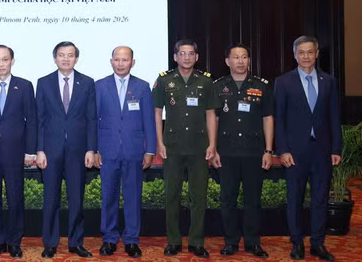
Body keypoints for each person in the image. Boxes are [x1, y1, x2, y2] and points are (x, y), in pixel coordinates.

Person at [274, 36, 341, 261]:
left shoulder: (329, 81)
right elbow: (279, 120)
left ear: (317, 53)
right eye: (301, 52)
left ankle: (317, 243)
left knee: (320, 199)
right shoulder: (283, 82)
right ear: (294, 55)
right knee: (295, 199)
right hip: (294, 152)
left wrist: (336, 149)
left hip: (322, 151)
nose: (305, 57)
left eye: (309, 52)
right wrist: (282, 150)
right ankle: (297, 244)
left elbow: (334, 117)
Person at [152, 39, 217, 258]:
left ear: (197, 57)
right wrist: (159, 143)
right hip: (172, 146)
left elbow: (211, 114)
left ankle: (197, 241)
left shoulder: (206, 82)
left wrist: (213, 144)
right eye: (182, 53)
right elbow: (157, 113)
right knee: (172, 195)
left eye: (191, 54)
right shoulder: (164, 81)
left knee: (198, 196)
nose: (186, 57)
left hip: (199, 146)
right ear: (175, 57)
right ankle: (173, 240)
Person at [35, 41, 97, 258]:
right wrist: (39, 149)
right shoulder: (43, 83)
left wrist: (91, 149)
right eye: (62, 55)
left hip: (78, 151)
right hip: (50, 152)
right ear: (55, 58)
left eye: (70, 55)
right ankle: (50, 243)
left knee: (76, 199)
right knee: (50, 199)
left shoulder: (87, 83)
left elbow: (91, 119)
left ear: (76, 58)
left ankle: (76, 242)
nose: (66, 59)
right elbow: (39, 119)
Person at [212, 43, 274, 258]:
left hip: (254, 152)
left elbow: (268, 118)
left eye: (244, 57)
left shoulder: (262, 86)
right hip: (226, 153)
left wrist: (268, 150)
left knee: (253, 199)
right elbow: (214, 120)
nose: (240, 61)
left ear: (249, 60)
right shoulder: (218, 86)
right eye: (236, 57)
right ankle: (230, 241)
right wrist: (213, 149)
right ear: (227, 61)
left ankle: (252, 242)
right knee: (227, 198)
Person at [94, 46, 155, 258]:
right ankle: (109, 238)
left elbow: (149, 120)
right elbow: (94, 121)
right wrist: (94, 149)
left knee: (132, 197)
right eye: (117, 60)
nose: (121, 63)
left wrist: (151, 150)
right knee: (108, 196)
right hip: (107, 151)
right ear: (111, 61)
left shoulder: (143, 87)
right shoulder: (99, 86)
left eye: (125, 60)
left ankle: (131, 240)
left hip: (134, 151)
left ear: (133, 62)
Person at [0, 45, 37, 258]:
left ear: (12, 61)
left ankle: (14, 242)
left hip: (16, 152)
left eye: (5, 59)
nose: (1, 64)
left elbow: (32, 121)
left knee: (15, 198)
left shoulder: (25, 86)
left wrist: (31, 151)